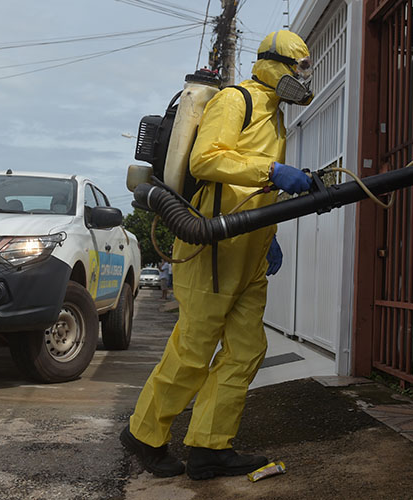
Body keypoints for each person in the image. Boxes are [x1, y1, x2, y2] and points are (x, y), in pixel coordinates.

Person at [121, 30, 314, 480]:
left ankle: (210, 447)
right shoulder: (236, 101)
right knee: (193, 351)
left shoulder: (277, 116)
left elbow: (251, 192)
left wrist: (271, 235)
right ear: (269, 62)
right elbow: (204, 160)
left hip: (250, 251)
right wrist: (272, 170)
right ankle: (144, 434)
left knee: (247, 350)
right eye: (294, 66)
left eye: (304, 69)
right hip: (213, 247)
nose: (299, 78)